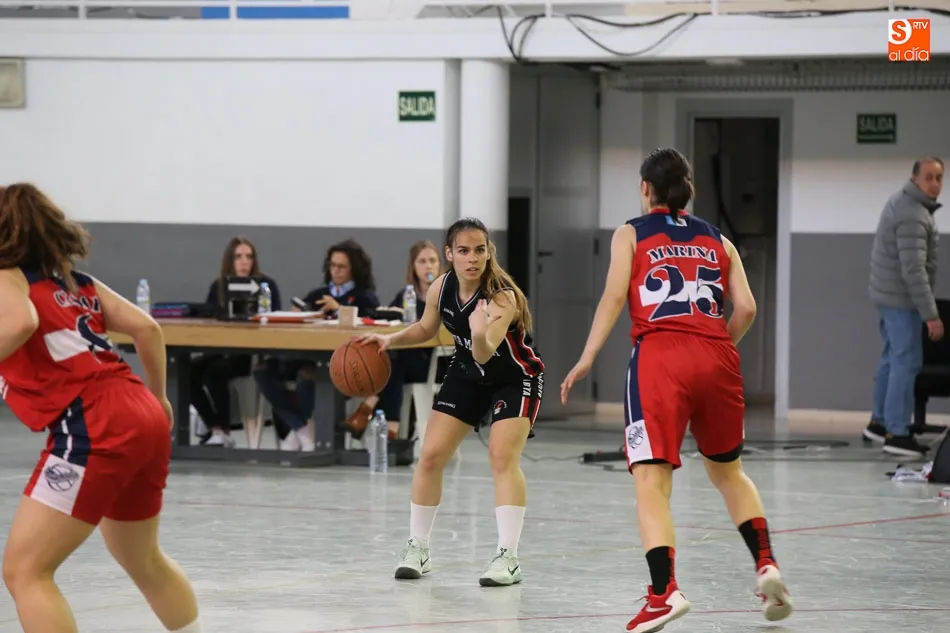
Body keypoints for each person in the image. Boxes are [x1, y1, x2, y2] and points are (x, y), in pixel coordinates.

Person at [560, 149, 792, 633]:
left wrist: (586, 357)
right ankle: (767, 564)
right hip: (717, 354)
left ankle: (663, 592)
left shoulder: (630, 233)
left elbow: (614, 296)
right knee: (729, 473)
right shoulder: (719, 239)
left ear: (646, 189)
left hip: (661, 358)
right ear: (689, 190)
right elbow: (746, 308)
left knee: (651, 479)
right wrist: (713, 350)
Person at [0, 183, 201, 633]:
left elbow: (21, 322)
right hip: (138, 407)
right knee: (142, 557)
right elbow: (147, 329)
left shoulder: (6, 277)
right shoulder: (76, 282)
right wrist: (160, 398)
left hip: (95, 420)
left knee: (25, 571)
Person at [357, 217, 544, 587]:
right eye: (463, 250)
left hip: (514, 377)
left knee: (501, 458)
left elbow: (485, 351)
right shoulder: (441, 286)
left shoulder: (501, 296)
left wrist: (478, 330)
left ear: (489, 252)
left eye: (479, 250)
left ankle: (508, 557)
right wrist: (389, 341)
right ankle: (418, 548)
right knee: (430, 456)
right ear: (450, 254)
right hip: (467, 372)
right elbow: (427, 328)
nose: (472, 258)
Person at [254, 238, 379, 451]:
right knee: (262, 370)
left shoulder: (364, 297)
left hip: (341, 362)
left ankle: (302, 434)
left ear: (354, 269)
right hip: (302, 353)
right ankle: (301, 428)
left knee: (308, 374)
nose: (336, 271)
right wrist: (296, 315)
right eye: (332, 265)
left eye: (342, 267)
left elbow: (370, 324)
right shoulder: (316, 294)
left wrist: (339, 309)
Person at [865, 157, 944, 456]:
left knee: (892, 357)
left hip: (887, 296)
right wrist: (931, 315)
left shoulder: (904, 201)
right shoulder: (913, 214)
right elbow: (914, 270)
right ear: (915, 179)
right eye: (928, 177)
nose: (935, 183)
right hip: (901, 300)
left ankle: (879, 423)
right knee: (906, 362)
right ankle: (897, 434)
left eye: (939, 177)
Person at [347, 240, 443, 438]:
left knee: (393, 363)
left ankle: (369, 406)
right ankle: (392, 429)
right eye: (422, 261)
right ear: (413, 267)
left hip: (432, 362)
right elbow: (389, 319)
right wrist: (391, 312)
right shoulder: (406, 295)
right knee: (392, 362)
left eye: (433, 261)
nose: (428, 266)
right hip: (404, 361)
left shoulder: (444, 295)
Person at [193, 236, 282, 447]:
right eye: (238, 257)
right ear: (230, 260)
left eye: (249, 257)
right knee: (188, 370)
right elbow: (210, 316)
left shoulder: (266, 285)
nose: (244, 262)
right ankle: (215, 427)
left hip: (251, 354)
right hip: (220, 348)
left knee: (214, 373)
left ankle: (224, 429)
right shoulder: (219, 286)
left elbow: (275, 319)